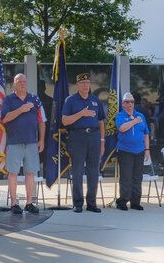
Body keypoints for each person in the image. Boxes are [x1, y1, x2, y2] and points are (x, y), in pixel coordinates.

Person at [1, 73, 46, 215]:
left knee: (30, 173)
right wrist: (21, 109)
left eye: (24, 81)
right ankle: (14, 203)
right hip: (14, 142)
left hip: (32, 142)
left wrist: (42, 139)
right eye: (19, 81)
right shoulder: (8, 99)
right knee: (13, 173)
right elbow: (5, 118)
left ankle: (29, 203)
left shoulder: (35, 99)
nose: (22, 84)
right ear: (14, 84)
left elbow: (41, 121)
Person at [62, 72, 107, 213]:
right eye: (83, 83)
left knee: (94, 172)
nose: (86, 85)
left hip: (94, 137)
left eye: (88, 82)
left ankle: (92, 203)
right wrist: (82, 113)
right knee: (78, 171)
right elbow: (64, 121)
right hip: (77, 137)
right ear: (78, 85)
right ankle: (78, 203)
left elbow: (101, 122)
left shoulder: (95, 100)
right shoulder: (70, 100)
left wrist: (102, 141)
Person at [115, 92, 150, 211]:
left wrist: (147, 149)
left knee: (137, 177)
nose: (130, 104)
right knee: (126, 177)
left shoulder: (140, 115)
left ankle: (135, 202)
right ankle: (123, 201)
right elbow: (122, 128)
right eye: (127, 102)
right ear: (123, 104)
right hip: (125, 151)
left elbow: (146, 134)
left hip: (139, 150)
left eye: (132, 102)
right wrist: (134, 121)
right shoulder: (120, 116)